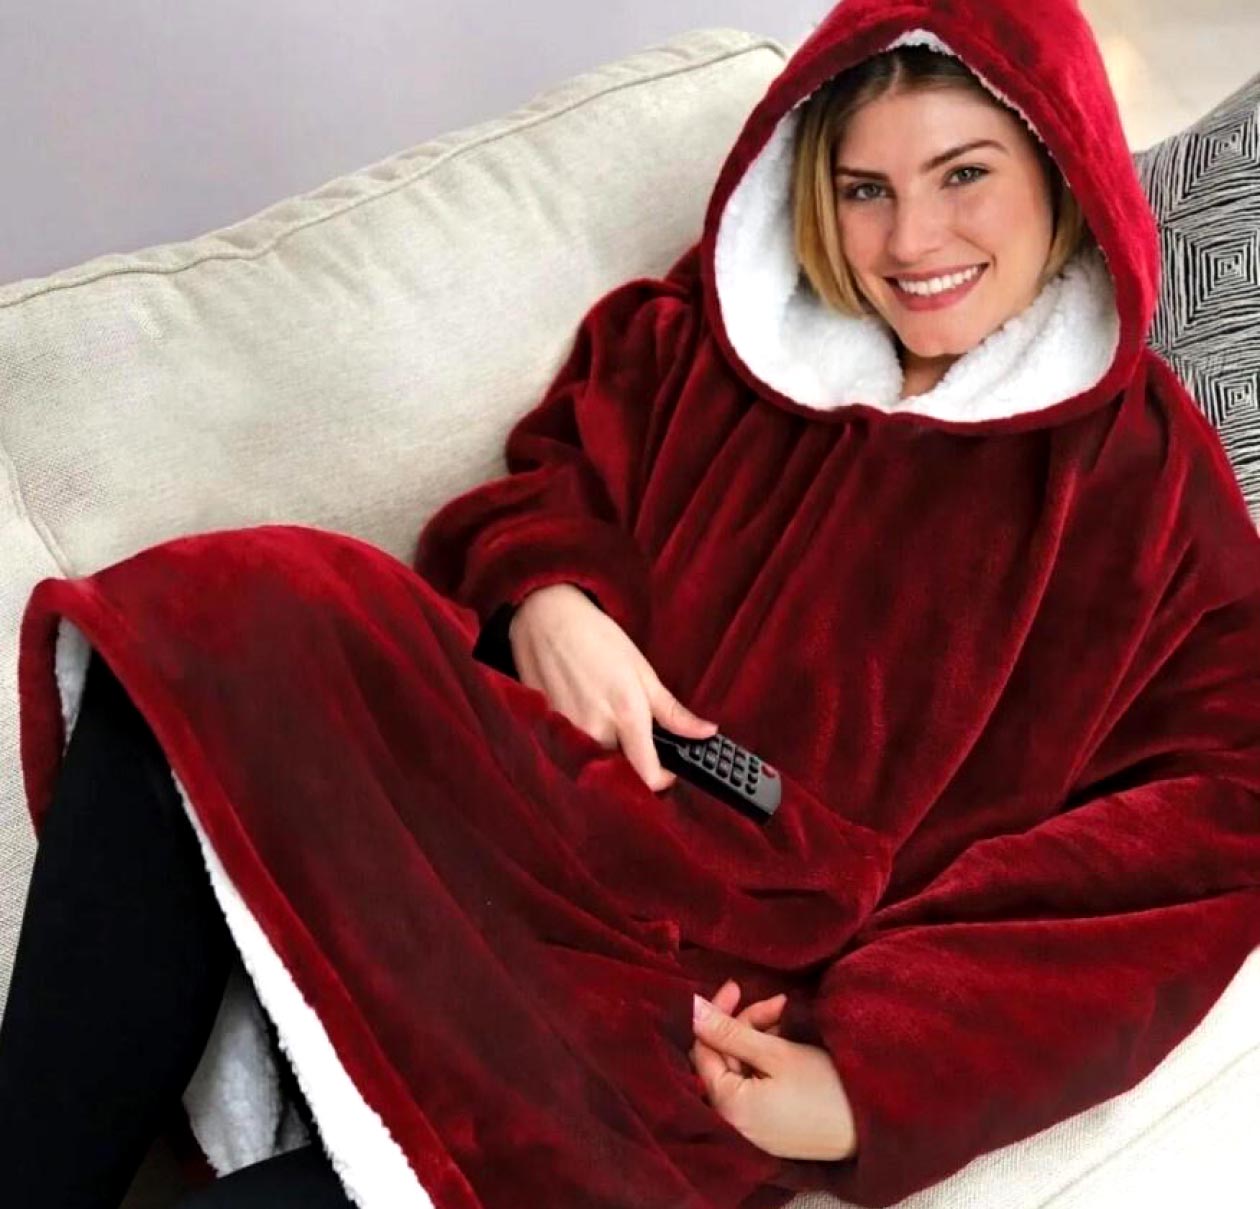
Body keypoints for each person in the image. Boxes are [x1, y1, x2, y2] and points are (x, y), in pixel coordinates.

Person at [5, 0, 1260, 1207]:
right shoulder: (720, 327)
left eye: (964, 175)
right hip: (508, 800)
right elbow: (555, 473)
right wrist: (551, 595)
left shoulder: (1150, 492)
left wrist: (869, 1077)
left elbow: (1207, 835)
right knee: (228, 616)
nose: (911, 242)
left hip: (692, 987)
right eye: (865, 189)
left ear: (1061, 168)